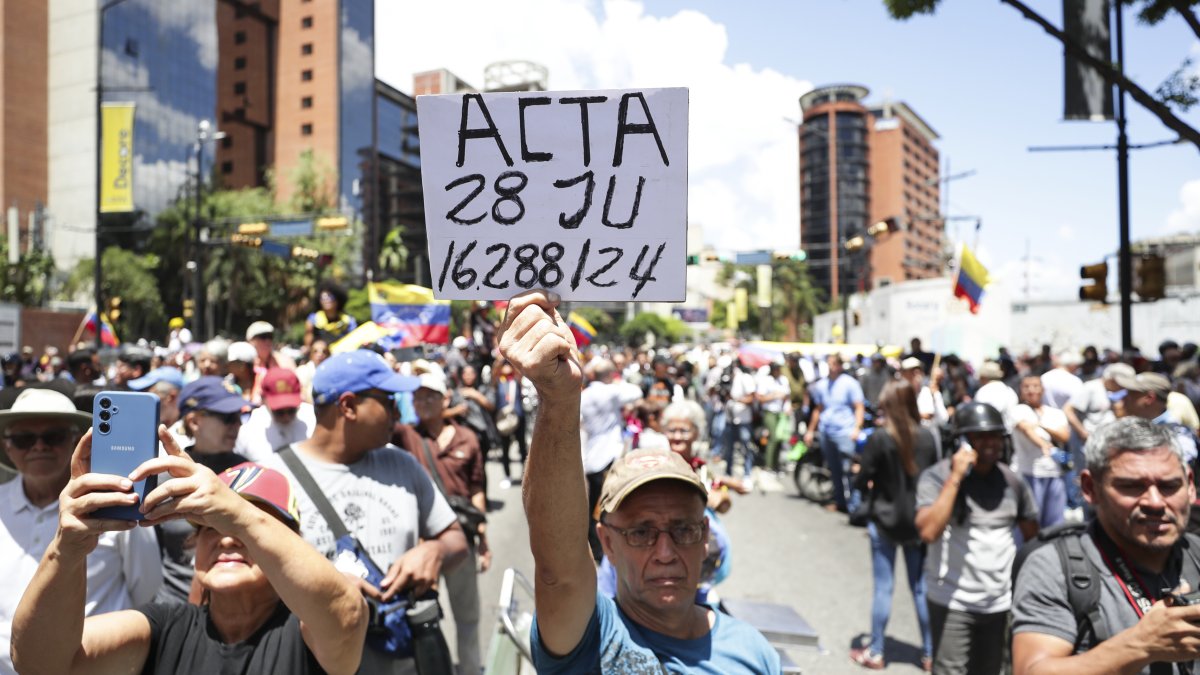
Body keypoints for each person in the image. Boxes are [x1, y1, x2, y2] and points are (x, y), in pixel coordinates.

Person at [497, 291, 781, 673]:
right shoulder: (593, 637)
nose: (665, 553)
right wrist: (558, 398)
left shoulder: (754, 651)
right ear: (607, 544)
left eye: (683, 530)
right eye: (641, 533)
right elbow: (559, 573)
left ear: (705, 537)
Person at [11, 431, 367, 675]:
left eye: (245, 528)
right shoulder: (165, 628)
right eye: (210, 527)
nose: (227, 539)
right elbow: (41, 664)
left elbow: (346, 615)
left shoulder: (304, 635)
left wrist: (238, 515)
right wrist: (67, 549)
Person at [262, 350, 468, 675]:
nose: (397, 413)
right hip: (312, 662)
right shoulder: (273, 479)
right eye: (388, 401)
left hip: (404, 656)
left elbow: (456, 541)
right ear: (348, 406)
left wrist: (435, 551)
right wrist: (326, 594)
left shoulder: (404, 465)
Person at [1012, 418, 1200, 674]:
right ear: (1090, 488)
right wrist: (1139, 645)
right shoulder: (1055, 567)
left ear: (1190, 485)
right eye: (1131, 487)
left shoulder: (1196, 553)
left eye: (1169, 486)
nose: (1155, 502)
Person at [0, 388, 161, 675]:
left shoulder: (117, 503)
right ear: (7, 446)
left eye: (54, 437)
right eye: (24, 439)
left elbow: (146, 590)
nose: (39, 447)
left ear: (76, 442)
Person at [915, 401, 1039, 675]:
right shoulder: (937, 478)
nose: (990, 443)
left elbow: (1032, 539)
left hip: (999, 604)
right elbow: (928, 532)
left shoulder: (1013, 482)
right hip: (952, 602)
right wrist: (956, 476)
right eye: (980, 436)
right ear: (961, 441)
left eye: (995, 436)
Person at [393, 373, 487, 675]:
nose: (422, 402)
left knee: (467, 616)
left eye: (429, 396)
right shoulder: (406, 436)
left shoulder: (467, 438)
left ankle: (470, 670)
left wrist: (483, 538)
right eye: (417, 397)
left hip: (461, 540)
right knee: (424, 618)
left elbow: (476, 489)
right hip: (421, 544)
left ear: (445, 398)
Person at [850, 380, 938, 671]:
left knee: (883, 589)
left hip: (884, 520)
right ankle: (930, 653)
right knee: (920, 589)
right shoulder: (928, 438)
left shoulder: (880, 438)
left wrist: (862, 476)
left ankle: (876, 651)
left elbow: (862, 479)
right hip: (917, 522)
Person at [580, 358, 645, 559]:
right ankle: (604, 547)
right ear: (609, 375)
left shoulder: (584, 395)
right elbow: (636, 392)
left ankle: (596, 546)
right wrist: (617, 382)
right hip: (608, 456)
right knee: (609, 506)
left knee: (595, 505)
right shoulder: (611, 391)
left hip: (592, 456)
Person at [805, 354, 865, 513]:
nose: (831, 367)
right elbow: (818, 409)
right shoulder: (822, 385)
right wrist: (810, 430)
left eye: (833, 364)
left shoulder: (850, 383)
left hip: (845, 432)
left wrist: (856, 428)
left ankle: (855, 506)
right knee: (835, 470)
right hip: (827, 432)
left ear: (839, 365)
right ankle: (840, 502)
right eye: (829, 364)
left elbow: (859, 407)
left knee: (848, 469)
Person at [1013, 374, 1071, 528]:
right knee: (1031, 521)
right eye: (1026, 387)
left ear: (1042, 389)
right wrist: (1043, 445)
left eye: (1035, 386)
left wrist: (1041, 425)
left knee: (1055, 523)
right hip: (1030, 473)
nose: (1031, 390)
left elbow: (1064, 436)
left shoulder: (1055, 413)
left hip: (1055, 473)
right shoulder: (1018, 410)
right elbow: (1026, 429)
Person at [235, 368, 316, 462]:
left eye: (292, 410)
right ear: (263, 399)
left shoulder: (314, 418)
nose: (286, 417)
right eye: (279, 412)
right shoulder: (248, 433)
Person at [493, 359, 527, 488]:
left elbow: (520, 370)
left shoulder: (517, 381)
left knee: (522, 449)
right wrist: (500, 360)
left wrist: (513, 362)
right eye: (504, 365)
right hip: (504, 420)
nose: (506, 367)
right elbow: (494, 372)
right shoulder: (498, 382)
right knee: (505, 449)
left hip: (518, 418)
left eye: (509, 365)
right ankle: (507, 475)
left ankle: (525, 475)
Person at [756, 361, 792, 473]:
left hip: (780, 413)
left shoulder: (783, 380)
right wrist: (773, 396)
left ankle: (775, 463)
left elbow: (787, 396)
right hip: (769, 412)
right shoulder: (766, 380)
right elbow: (760, 398)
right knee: (774, 437)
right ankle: (769, 464)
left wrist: (787, 406)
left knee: (780, 438)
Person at [304, 282, 358, 351]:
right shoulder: (313, 319)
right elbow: (308, 342)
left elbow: (354, 339)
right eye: (323, 298)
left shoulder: (348, 321)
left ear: (338, 299)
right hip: (322, 354)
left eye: (330, 297)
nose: (327, 300)